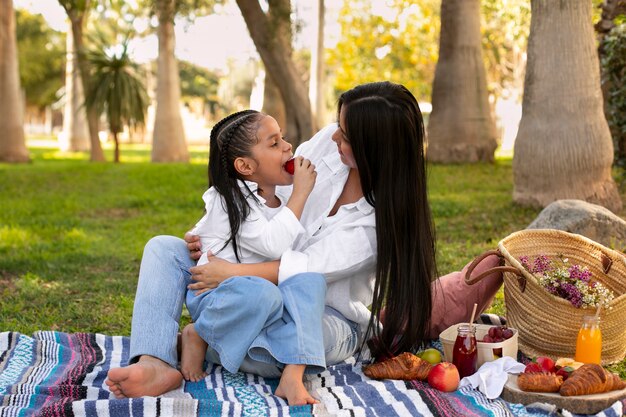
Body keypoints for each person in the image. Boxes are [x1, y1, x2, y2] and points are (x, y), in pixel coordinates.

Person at [106, 81, 504, 404]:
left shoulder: (377, 224)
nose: (334, 137)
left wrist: (230, 271)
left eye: (346, 135)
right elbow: (253, 185)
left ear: (372, 150)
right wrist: (208, 236)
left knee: (298, 345)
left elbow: (304, 269)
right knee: (165, 248)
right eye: (338, 125)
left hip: (320, 315)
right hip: (250, 288)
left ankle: (206, 337)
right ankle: (155, 359)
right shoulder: (327, 149)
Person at [178, 108, 323, 402]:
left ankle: (293, 372)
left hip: (261, 296)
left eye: (283, 138)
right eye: (274, 143)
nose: (288, 147)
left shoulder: (279, 201)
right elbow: (272, 244)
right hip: (218, 296)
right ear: (245, 166)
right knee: (263, 295)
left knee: (312, 282)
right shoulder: (230, 197)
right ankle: (199, 334)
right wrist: (301, 194)